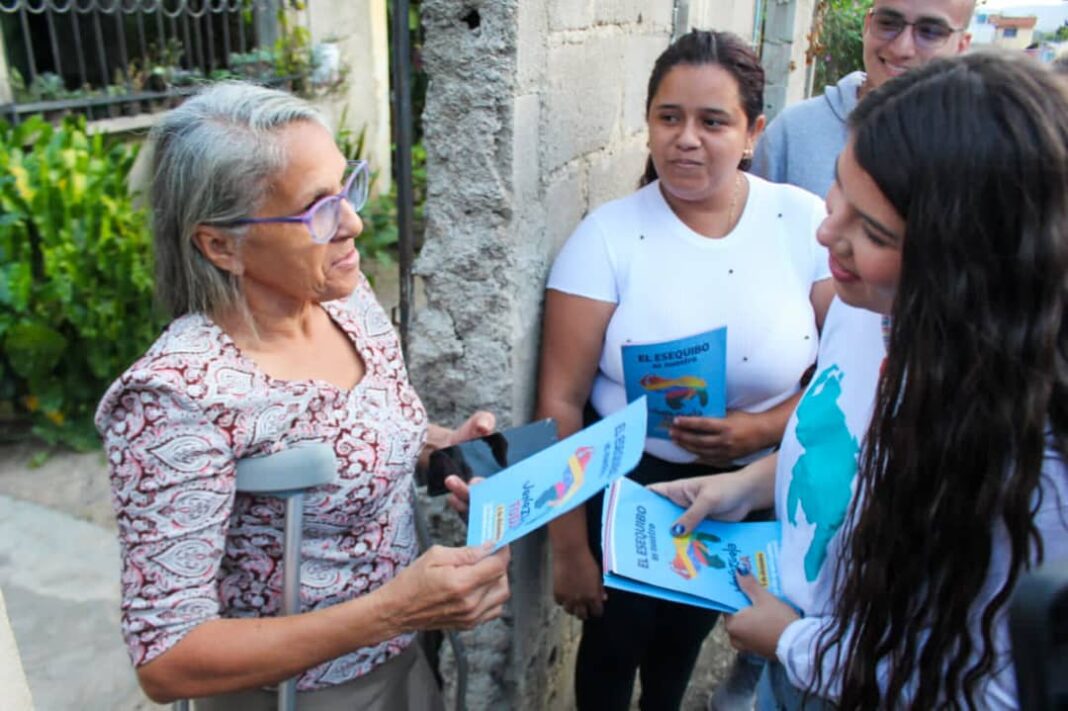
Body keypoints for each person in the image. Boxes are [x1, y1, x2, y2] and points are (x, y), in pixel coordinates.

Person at [654, 52, 1068, 709]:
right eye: (839, 191)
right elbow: (852, 437)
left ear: (963, 263)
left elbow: (991, 691)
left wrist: (796, 644)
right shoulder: (861, 303)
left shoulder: (1032, 463)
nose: (827, 234)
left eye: (872, 230)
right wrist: (752, 481)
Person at [94, 81, 511, 710]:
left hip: (405, 661)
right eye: (318, 209)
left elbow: (356, 432)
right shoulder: (174, 399)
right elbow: (168, 658)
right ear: (221, 244)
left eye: (348, 187)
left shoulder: (347, 302)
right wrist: (393, 611)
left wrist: (440, 452)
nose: (354, 222)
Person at [538, 30, 835, 710]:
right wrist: (568, 546)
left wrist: (758, 427)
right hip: (628, 487)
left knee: (684, 642)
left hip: (749, 484)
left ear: (754, 132)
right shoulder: (606, 237)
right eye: (669, 117)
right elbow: (560, 398)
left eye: (713, 121)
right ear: (647, 123)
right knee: (614, 648)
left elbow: (840, 376)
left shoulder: (801, 222)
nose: (686, 139)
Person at [753, 0, 974, 197]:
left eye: (930, 31)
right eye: (888, 23)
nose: (901, 48)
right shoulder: (793, 133)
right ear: (868, 24)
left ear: (961, 46)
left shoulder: (976, 153)